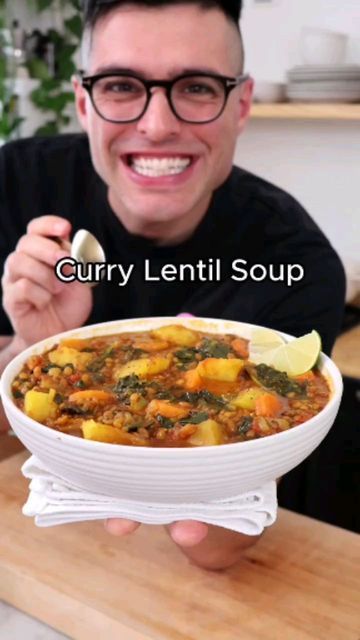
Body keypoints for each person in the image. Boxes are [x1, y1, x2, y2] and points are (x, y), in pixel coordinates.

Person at [0, 0, 345, 570]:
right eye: (119, 85)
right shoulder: (14, 185)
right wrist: (24, 350)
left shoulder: (295, 260)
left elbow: (221, 548)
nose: (157, 126)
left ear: (241, 106)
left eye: (198, 88)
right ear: (85, 104)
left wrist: (170, 473)